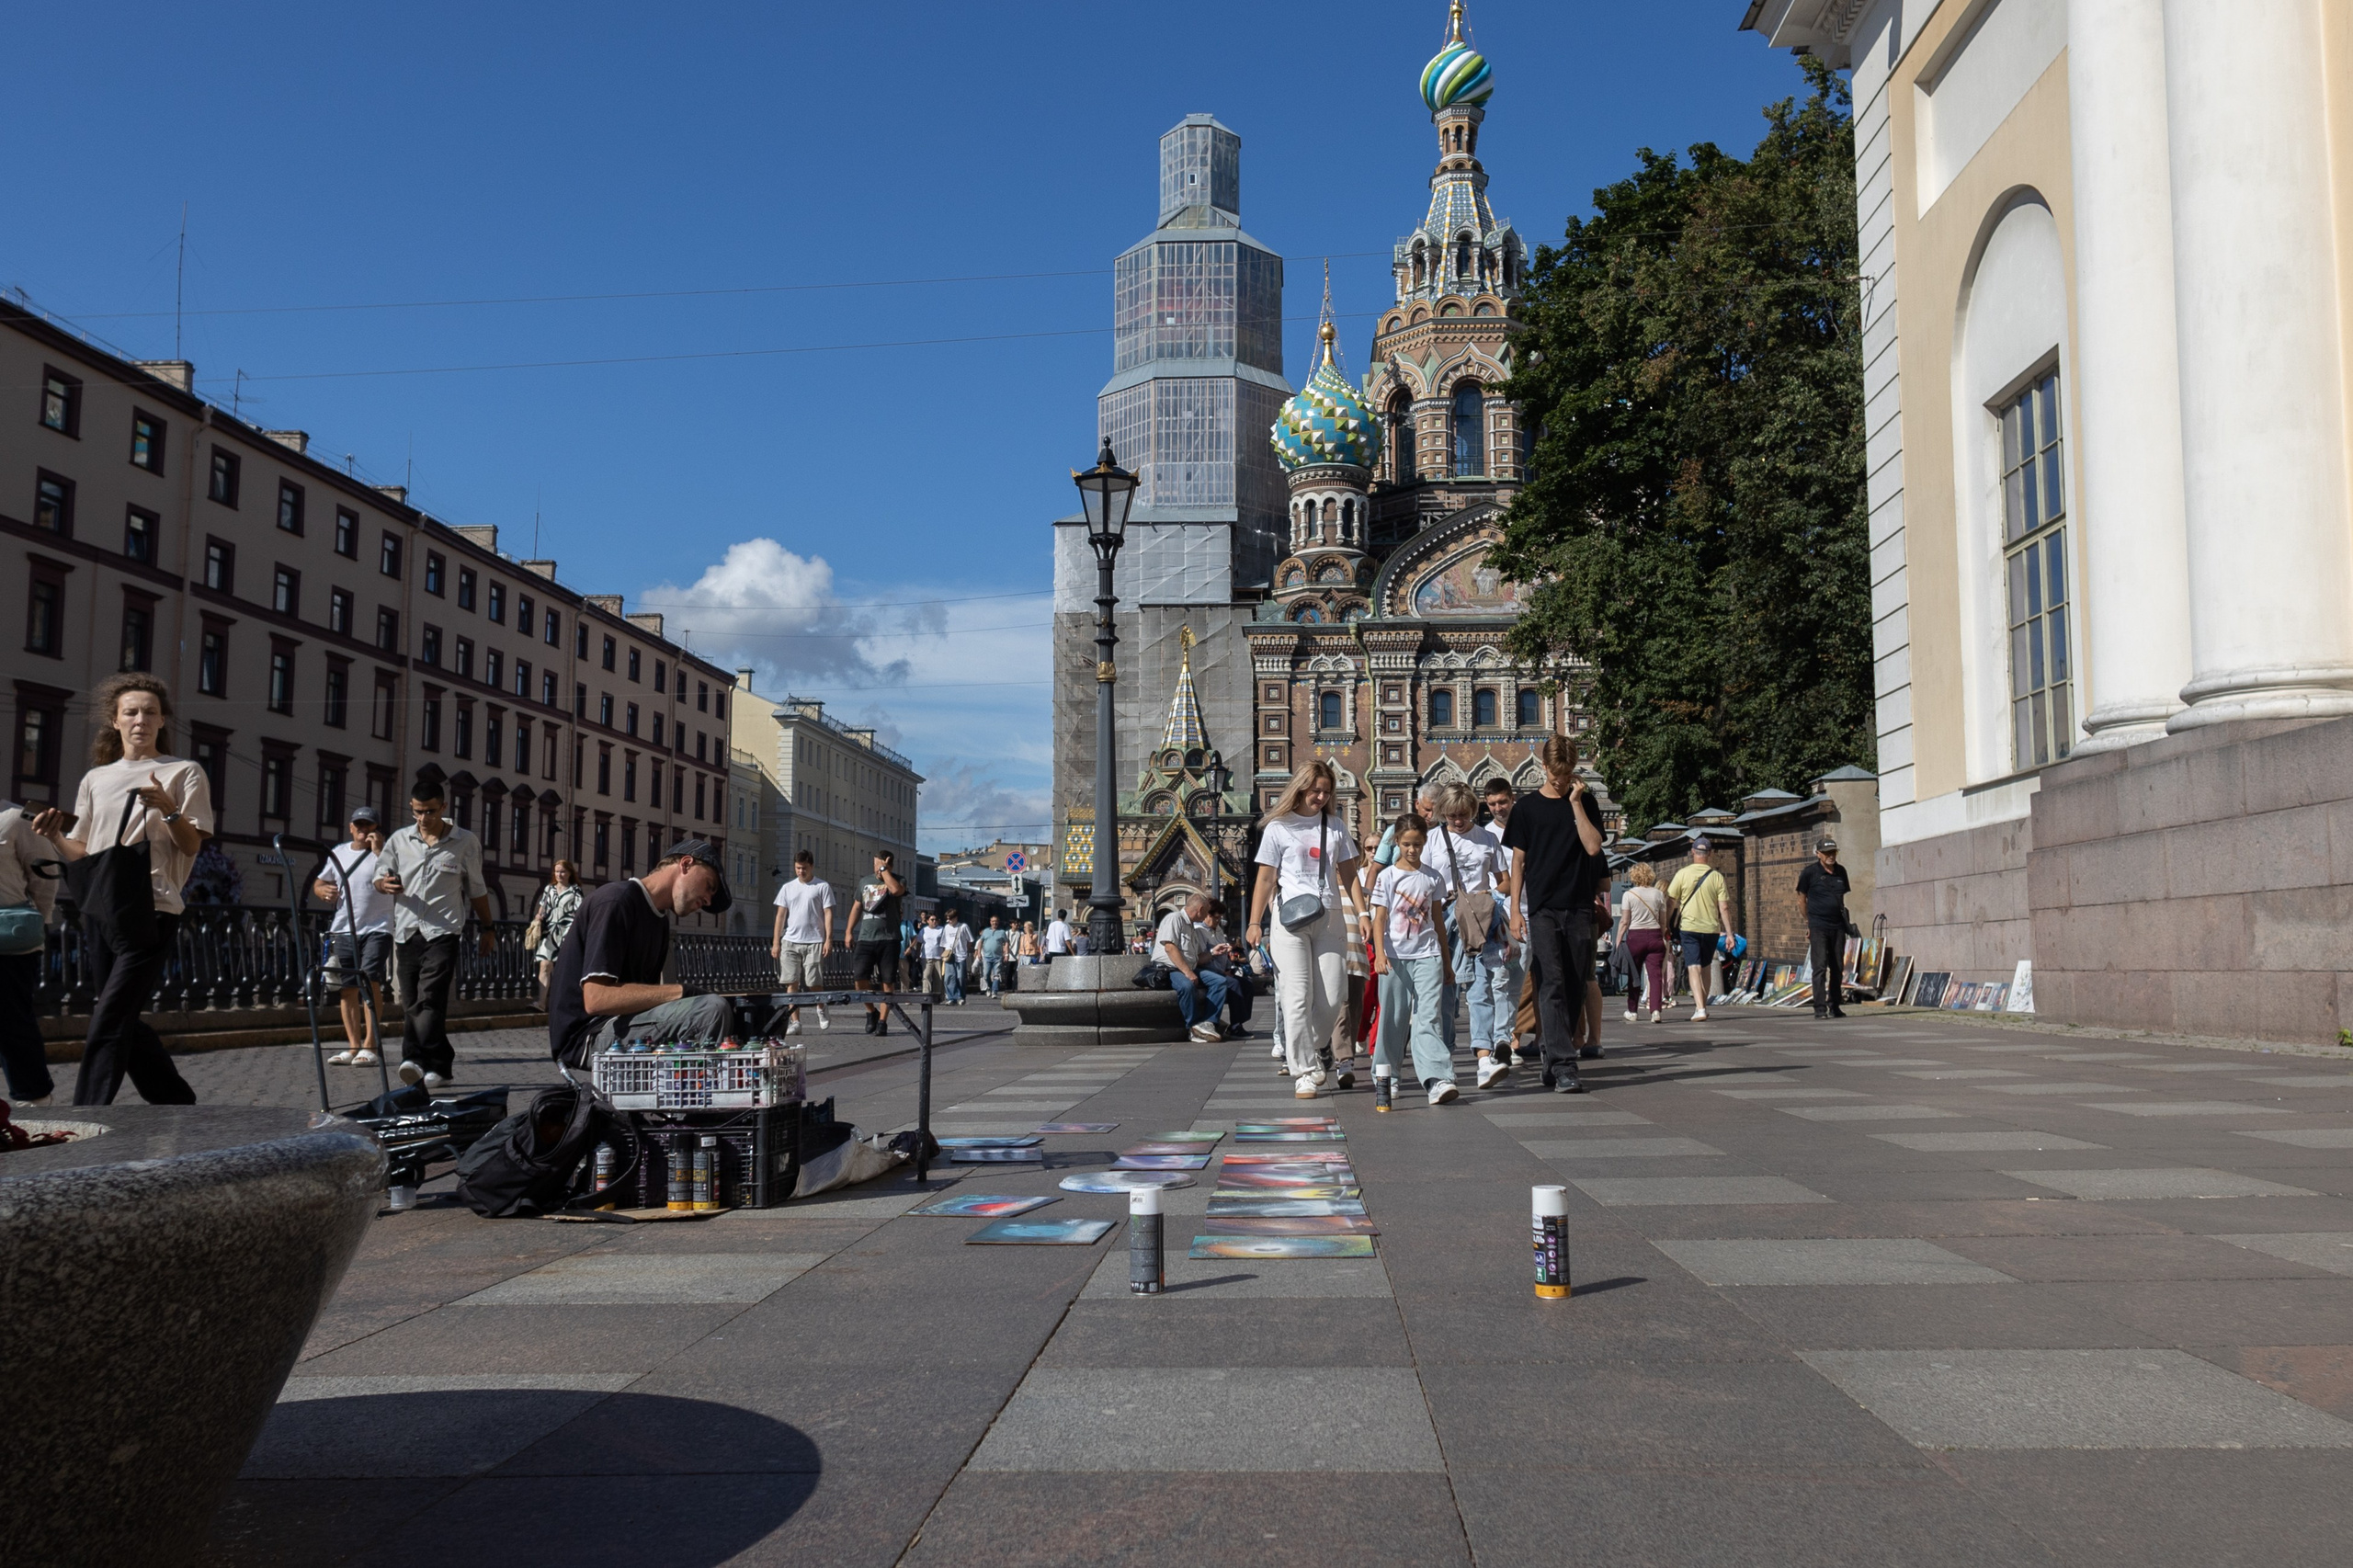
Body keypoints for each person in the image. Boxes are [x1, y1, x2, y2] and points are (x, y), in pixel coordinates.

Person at [30, 673, 206, 1106]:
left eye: (150, 712)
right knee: (121, 1014)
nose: (140, 720)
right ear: (115, 721)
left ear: (163, 720)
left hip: (154, 905)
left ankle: (87, 1112)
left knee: (108, 1017)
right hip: (101, 907)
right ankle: (176, 1103)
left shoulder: (183, 771)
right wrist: (53, 835)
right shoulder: (96, 779)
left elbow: (191, 844)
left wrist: (168, 810)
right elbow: (85, 854)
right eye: (131, 712)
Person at [549, 839, 734, 1067]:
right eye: (709, 886)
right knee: (711, 1010)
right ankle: (699, 1094)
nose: (707, 900)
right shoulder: (616, 901)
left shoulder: (659, 922)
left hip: (622, 1025)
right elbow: (596, 998)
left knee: (738, 1012)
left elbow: (644, 999)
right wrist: (681, 992)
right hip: (589, 1035)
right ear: (686, 864)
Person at [1245, 760, 1364, 1101]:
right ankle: (1303, 1072)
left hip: (1329, 916)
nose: (1321, 796)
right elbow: (1266, 878)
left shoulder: (1336, 826)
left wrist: (1364, 912)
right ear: (1300, 788)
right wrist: (1255, 923)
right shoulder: (1278, 827)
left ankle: (1315, 1048)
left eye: (1326, 791)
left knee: (1331, 997)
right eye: (1316, 791)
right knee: (1297, 998)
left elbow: (1349, 875)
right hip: (1289, 920)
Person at [1501, 736, 1607, 1094]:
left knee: (1577, 982)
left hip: (1579, 906)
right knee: (1551, 981)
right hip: (1542, 908)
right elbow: (1518, 861)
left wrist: (1576, 804)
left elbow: (1593, 846)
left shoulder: (1586, 802)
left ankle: (1551, 1054)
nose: (1561, 781)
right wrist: (1516, 911)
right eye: (1555, 774)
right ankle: (1564, 1064)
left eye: (1567, 774)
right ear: (1543, 768)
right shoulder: (1527, 808)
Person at [374, 778, 494, 1088]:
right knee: (411, 999)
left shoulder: (465, 842)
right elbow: (380, 874)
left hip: (443, 931)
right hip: (407, 930)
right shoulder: (399, 840)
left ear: (443, 807)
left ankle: (419, 1060)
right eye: (416, 812)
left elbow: (477, 889)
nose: (423, 818)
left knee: (431, 996)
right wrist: (383, 884)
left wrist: (488, 927)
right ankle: (429, 1063)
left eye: (429, 811)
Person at [1427, 781, 1515, 1089]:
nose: (1458, 821)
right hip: (1445, 920)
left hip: (1481, 919)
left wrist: (1488, 893)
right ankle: (1446, 1059)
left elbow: (1505, 881)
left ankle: (1483, 1058)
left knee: (1481, 989)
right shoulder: (1431, 841)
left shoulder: (1487, 839)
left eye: (1463, 814)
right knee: (1446, 994)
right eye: (1451, 815)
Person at [1370, 813, 1457, 1107]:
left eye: (1417, 844)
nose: (1411, 850)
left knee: (1428, 1016)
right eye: (1406, 844)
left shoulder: (1432, 877)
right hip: (1394, 957)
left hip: (1428, 953)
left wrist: (1446, 961)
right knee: (1393, 1018)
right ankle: (1388, 1076)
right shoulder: (1387, 877)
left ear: (1424, 842)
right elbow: (1379, 918)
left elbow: (1438, 921)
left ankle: (1436, 1078)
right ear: (1396, 842)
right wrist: (1380, 955)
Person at [313, 805, 391, 1067]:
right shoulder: (338, 853)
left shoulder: (386, 852)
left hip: (378, 927)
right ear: (350, 827)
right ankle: (353, 1046)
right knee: (347, 989)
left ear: (376, 830)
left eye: (368, 825)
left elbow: (395, 878)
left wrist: (379, 851)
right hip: (344, 928)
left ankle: (371, 1045)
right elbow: (319, 882)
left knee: (370, 981)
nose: (362, 829)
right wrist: (322, 891)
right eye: (358, 824)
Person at [0, 796, 63, 1104]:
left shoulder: (14, 819)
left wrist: (34, 922)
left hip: (8, 941)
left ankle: (35, 1098)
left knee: (10, 1021)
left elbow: (45, 877)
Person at [1665, 835, 1736, 1023]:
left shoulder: (1682, 874)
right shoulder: (1717, 877)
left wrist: (1665, 924)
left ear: (1693, 853)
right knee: (1705, 966)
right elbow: (1724, 908)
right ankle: (1702, 1005)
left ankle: (1700, 1008)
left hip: (1689, 927)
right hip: (1711, 929)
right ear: (1710, 854)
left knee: (1693, 966)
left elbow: (1671, 902)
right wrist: (1729, 934)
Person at [769, 848, 835, 1034]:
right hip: (790, 940)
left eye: (804, 868)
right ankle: (795, 1022)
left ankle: (821, 1008)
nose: (801, 871)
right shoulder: (787, 888)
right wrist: (776, 942)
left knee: (814, 981)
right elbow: (780, 916)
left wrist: (828, 939)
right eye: (798, 868)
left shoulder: (822, 886)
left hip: (814, 940)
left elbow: (828, 913)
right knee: (792, 982)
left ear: (811, 866)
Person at [1156, 893, 1231, 1044]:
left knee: (1220, 981)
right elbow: (1170, 948)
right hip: (1170, 968)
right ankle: (1194, 1026)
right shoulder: (1175, 918)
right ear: (1200, 909)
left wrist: (1212, 952)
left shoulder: (1192, 927)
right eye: (1206, 912)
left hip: (1190, 967)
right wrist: (1188, 972)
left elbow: (1197, 957)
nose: (1206, 916)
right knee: (1186, 986)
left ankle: (1209, 1022)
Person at [847, 850, 906, 1036]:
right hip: (866, 937)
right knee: (859, 978)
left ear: (889, 864)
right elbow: (857, 906)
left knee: (887, 981)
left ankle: (883, 1021)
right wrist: (849, 931)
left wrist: (884, 870)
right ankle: (871, 1011)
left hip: (889, 938)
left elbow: (896, 890)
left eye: (879, 864)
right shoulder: (865, 882)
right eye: (875, 864)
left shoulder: (899, 879)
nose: (876, 868)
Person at [1797, 835, 1853, 1019]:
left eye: (1833, 852)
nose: (1831, 856)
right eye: (1827, 853)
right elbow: (1801, 900)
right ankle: (1820, 1009)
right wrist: (1809, 922)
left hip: (1837, 926)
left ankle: (1835, 1006)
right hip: (1818, 926)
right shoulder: (1809, 873)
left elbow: (1842, 898)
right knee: (1819, 967)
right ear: (1818, 854)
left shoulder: (1841, 872)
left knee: (1837, 967)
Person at [1617, 862, 1670, 1022]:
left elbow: (1625, 921)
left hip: (1635, 937)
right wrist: (1660, 936)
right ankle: (1655, 1011)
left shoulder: (1629, 895)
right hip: (1655, 936)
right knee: (1655, 976)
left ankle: (1632, 1011)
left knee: (1634, 974)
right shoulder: (1658, 894)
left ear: (1634, 876)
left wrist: (1619, 940)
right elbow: (1663, 921)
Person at [530, 859, 584, 1002]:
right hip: (549, 931)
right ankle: (541, 1002)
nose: (559, 874)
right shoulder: (549, 889)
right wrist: (538, 916)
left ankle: (562, 1002)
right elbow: (543, 905)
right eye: (557, 871)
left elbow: (579, 912)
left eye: (562, 871)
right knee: (544, 966)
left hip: (567, 932)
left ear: (569, 873)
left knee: (564, 969)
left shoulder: (575, 890)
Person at [940, 908, 972, 1005]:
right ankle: (951, 997)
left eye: (950, 919)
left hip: (960, 955)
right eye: (947, 919)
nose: (949, 921)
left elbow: (970, 940)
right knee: (949, 977)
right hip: (949, 955)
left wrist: (965, 950)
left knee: (960, 977)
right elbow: (943, 942)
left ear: (956, 918)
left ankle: (961, 996)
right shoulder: (946, 927)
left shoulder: (963, 927)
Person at [979, 915, 1014, 998]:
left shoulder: (1002, 932)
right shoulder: (986, 931)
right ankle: (989, 988)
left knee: (996, 975)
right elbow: (981, 942)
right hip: (987, 957)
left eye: (996, 921)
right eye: (993, 921)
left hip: (997, 957)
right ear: (990, 922)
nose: (995, 923)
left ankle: (994, 991)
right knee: (986, 974)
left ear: (998, 922)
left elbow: (1006, 943)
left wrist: (1006, 955)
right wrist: (979, 953)